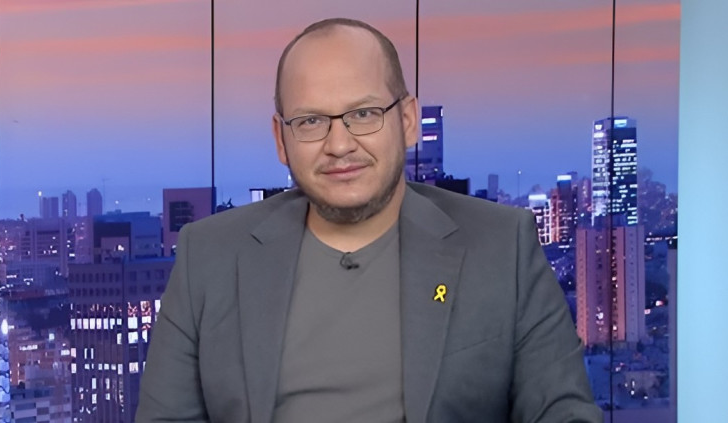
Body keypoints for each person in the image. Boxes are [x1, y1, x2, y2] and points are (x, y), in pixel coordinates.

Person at [136, 18, 603, 423]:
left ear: (408, 120)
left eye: (363, 114)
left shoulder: (502, 246)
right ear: (281, 139)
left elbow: (564, 413)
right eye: (311, 121)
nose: (339, 145)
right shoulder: (209, 255)